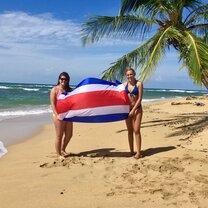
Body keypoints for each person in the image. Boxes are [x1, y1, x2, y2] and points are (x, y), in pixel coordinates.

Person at [50, 72, 73, 161]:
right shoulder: (54, 90)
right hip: (58, 115)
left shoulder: (69, 91)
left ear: (68, 80)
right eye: (62, 79)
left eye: (65, 79)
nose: (63, 80)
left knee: (69, 135)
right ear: (59, 79)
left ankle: (63, 149)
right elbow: (52, 104)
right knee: (59, 136)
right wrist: (57, 115)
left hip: (68, 115)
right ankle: (59, 154)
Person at [123, 67, 143, 159]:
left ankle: (138, 152)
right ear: (125, 76)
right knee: (129, 131)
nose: (129, 76)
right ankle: (131, 151)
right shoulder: (124, 85)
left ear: (134, 74)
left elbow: (139, 99)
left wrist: (133, 110)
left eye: (131, 74)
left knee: (136, 130)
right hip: (127, 110)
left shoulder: (139, 84)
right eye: (127, 75)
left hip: (137, 109)